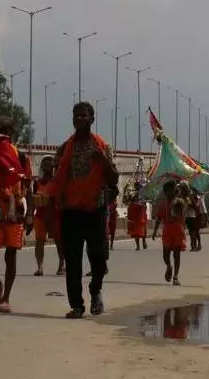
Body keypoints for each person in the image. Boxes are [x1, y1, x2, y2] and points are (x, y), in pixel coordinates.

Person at [49, 102, 119, 319]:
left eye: (83, 116)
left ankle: (95, 289)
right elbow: (58, 179)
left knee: (98, 257)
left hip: (95, 208)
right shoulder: (65, 148)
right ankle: (77, 305)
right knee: (73, 260)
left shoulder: (102, 147)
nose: (79, 119)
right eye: (75, 116)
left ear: (92, 119)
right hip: (71, 210)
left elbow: (114, 178)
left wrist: (104, 162)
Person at [0, 117, 28, 314]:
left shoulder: (20, 156)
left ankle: (6, 296)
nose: (1, 133)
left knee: (11, 255)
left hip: (15, 210)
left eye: (4, 129)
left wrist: (29, 215)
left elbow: (27, 184)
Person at [32, 157, 65, 276]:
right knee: (39, 241)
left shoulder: (57, 183)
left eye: (49, 166)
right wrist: (30, 216)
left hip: (54, 215)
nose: (47, 169)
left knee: (58, 241)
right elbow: (33, 199)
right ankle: (40, 267)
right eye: (45, 166)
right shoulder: (37, 183)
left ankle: (62, 264)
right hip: (40, 215)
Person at [152, 180, 187, 285]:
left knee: (177, 254)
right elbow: (159, 218)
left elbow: (181, 212)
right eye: (166, 191)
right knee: (166, 254)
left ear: (173, 190)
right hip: (167, 229)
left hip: (177, 228)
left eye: (169, 190)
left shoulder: (179, 202)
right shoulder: (163, 204)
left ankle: (176, 276)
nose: (167, 193)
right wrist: (154, 231)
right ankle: (169, 266)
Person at [126, 184, 149, 251]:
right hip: (137, 215)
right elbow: (129, 203)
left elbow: (144, 205)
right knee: (137, 231)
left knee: (141, 230)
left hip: (141, 215)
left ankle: (142, 243)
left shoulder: (142, 195)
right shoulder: (134, 194)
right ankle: (140, 244)